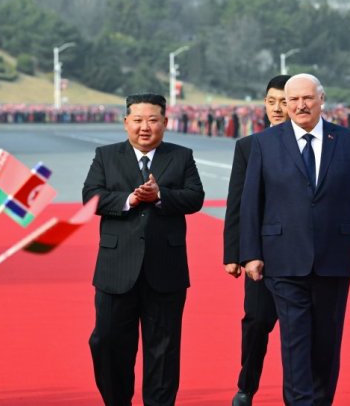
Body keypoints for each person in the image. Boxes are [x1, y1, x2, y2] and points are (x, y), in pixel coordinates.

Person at [240, 73, 350, 406]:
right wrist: (250, 253)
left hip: (334, 257)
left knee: (326, 342)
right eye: (293, 99)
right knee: (295, 341)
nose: (300, 105)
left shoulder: (347, 141)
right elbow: (250, 203)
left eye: (307, 98)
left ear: (322, 99)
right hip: (283, 258)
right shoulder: (264, 143)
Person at [82, 93, 205, 406]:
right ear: (126, 123)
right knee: (106, 341)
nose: (145, 127)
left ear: (165, 122)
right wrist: (131, 199)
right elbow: (91, 197)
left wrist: (160, 195)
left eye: (152, 120)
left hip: (165, 268)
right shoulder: (106, 156)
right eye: (137, 120)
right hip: (116, 268)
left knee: (163, 350)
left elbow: (195, 197)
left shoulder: (181, 156)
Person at [223, 75, 290, 406]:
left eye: (284, 102)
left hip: (302, 254)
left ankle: (299, 394)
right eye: (271, 101)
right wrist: (233, 254)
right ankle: (246, 388)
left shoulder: (315, 146)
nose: (277, 109)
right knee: (257, 322)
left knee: (299, 329)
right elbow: (236, 203)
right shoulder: (248, 147)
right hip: (261, 254)